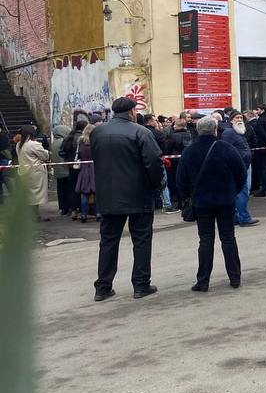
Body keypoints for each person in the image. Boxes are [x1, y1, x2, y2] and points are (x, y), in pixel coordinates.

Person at [90, 97, 165, 301]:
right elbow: (153, 162)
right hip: (138, 193)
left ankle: (103, 287)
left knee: (108, 241)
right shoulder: (141, 132)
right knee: (141, 240)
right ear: (132, 111)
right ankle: (141, 284)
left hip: (108, 194)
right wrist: (157, 185)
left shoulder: (98, 132)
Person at [176, 116, 246, 291]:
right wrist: (233, 191)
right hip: (225, 199)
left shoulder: (189, 151)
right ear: (215, 129)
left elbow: (181, 179)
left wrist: (187, 197)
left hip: (201, 201)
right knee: (228, 237)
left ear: (198, 130)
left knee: (205, 240)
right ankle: (235, 277)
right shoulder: (226, 148)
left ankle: (203, 281)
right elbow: (241, 173)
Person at [222, 112, 258, 226]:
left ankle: (237, 218)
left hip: (243, 166)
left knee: (241, 193)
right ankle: (244, 218)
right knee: (242, 193)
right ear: (231, 120)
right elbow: (225, 150)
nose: (239, 120)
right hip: (237, 168)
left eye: (241, 118)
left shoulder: (239, 131)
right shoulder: (229, 132)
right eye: (236, 118)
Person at [15, 124, 50, 221]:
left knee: (29, 194)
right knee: (36, 196)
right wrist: (47, 153)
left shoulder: (18, 145)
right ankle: (35, 215)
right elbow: (45, 156)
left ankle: (31, 215)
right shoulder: (34, 144)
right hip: (35, 173)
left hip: (23, 172)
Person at [75, 124, 99, 223]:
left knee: (84, 193)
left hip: (84, 168)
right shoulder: (96, 141)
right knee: (97, 192)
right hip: (95, 167)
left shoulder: (80, 142)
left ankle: (84, 215)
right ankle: (98, 213)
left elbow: (77, 155)